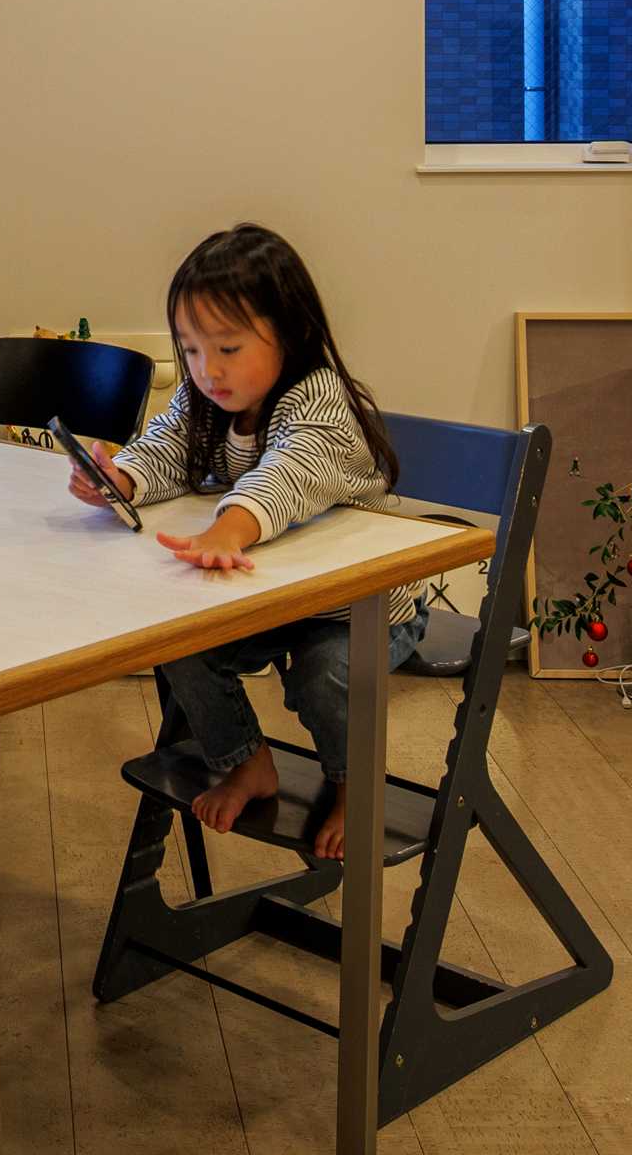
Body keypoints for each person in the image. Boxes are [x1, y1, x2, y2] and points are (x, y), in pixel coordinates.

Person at [64, 224, 419, 859]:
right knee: (176, 638)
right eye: (192, 350)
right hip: (271, 597)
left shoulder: (320, 401)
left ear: (291, 332)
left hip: (360, 610)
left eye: (227, 347)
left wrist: (227, 530)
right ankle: (247, 761)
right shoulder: (208, 399)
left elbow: (289, 475)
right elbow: (166, 449)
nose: (208, 370)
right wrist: (122, 480)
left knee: (326, 675)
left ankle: (353, 785)